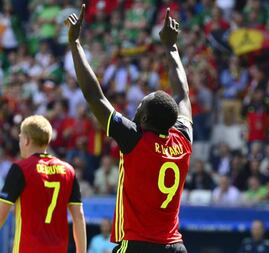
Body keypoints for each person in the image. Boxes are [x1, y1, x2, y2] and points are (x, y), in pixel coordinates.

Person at [66, 6, 191, 253]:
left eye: (140, 104)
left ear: (143, 117)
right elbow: (182, 94)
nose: (135, 107)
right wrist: (171, 47)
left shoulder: (134, 139)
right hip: (175, 246)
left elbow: (94, 96)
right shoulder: (183, 139)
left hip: (138, 245)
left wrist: (75, 43)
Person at [0, 115, 86, 253]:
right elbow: (78, 216)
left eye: (20, 137)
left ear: (27, 140)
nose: (19, 142)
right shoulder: (68, 170)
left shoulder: (21, 169)